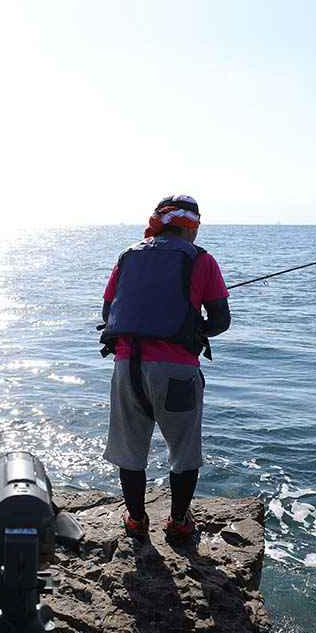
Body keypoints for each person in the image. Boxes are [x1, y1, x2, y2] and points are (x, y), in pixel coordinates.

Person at [99, 194, 231, 541]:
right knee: (184, 452)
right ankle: (178, 523)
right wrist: (193, 326)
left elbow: (107, 313)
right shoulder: (201, 260)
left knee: (130, 451)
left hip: (126, 367)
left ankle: (136, 520)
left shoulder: (128, 256)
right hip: (176, 371)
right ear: (193, 227)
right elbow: (221, 320)